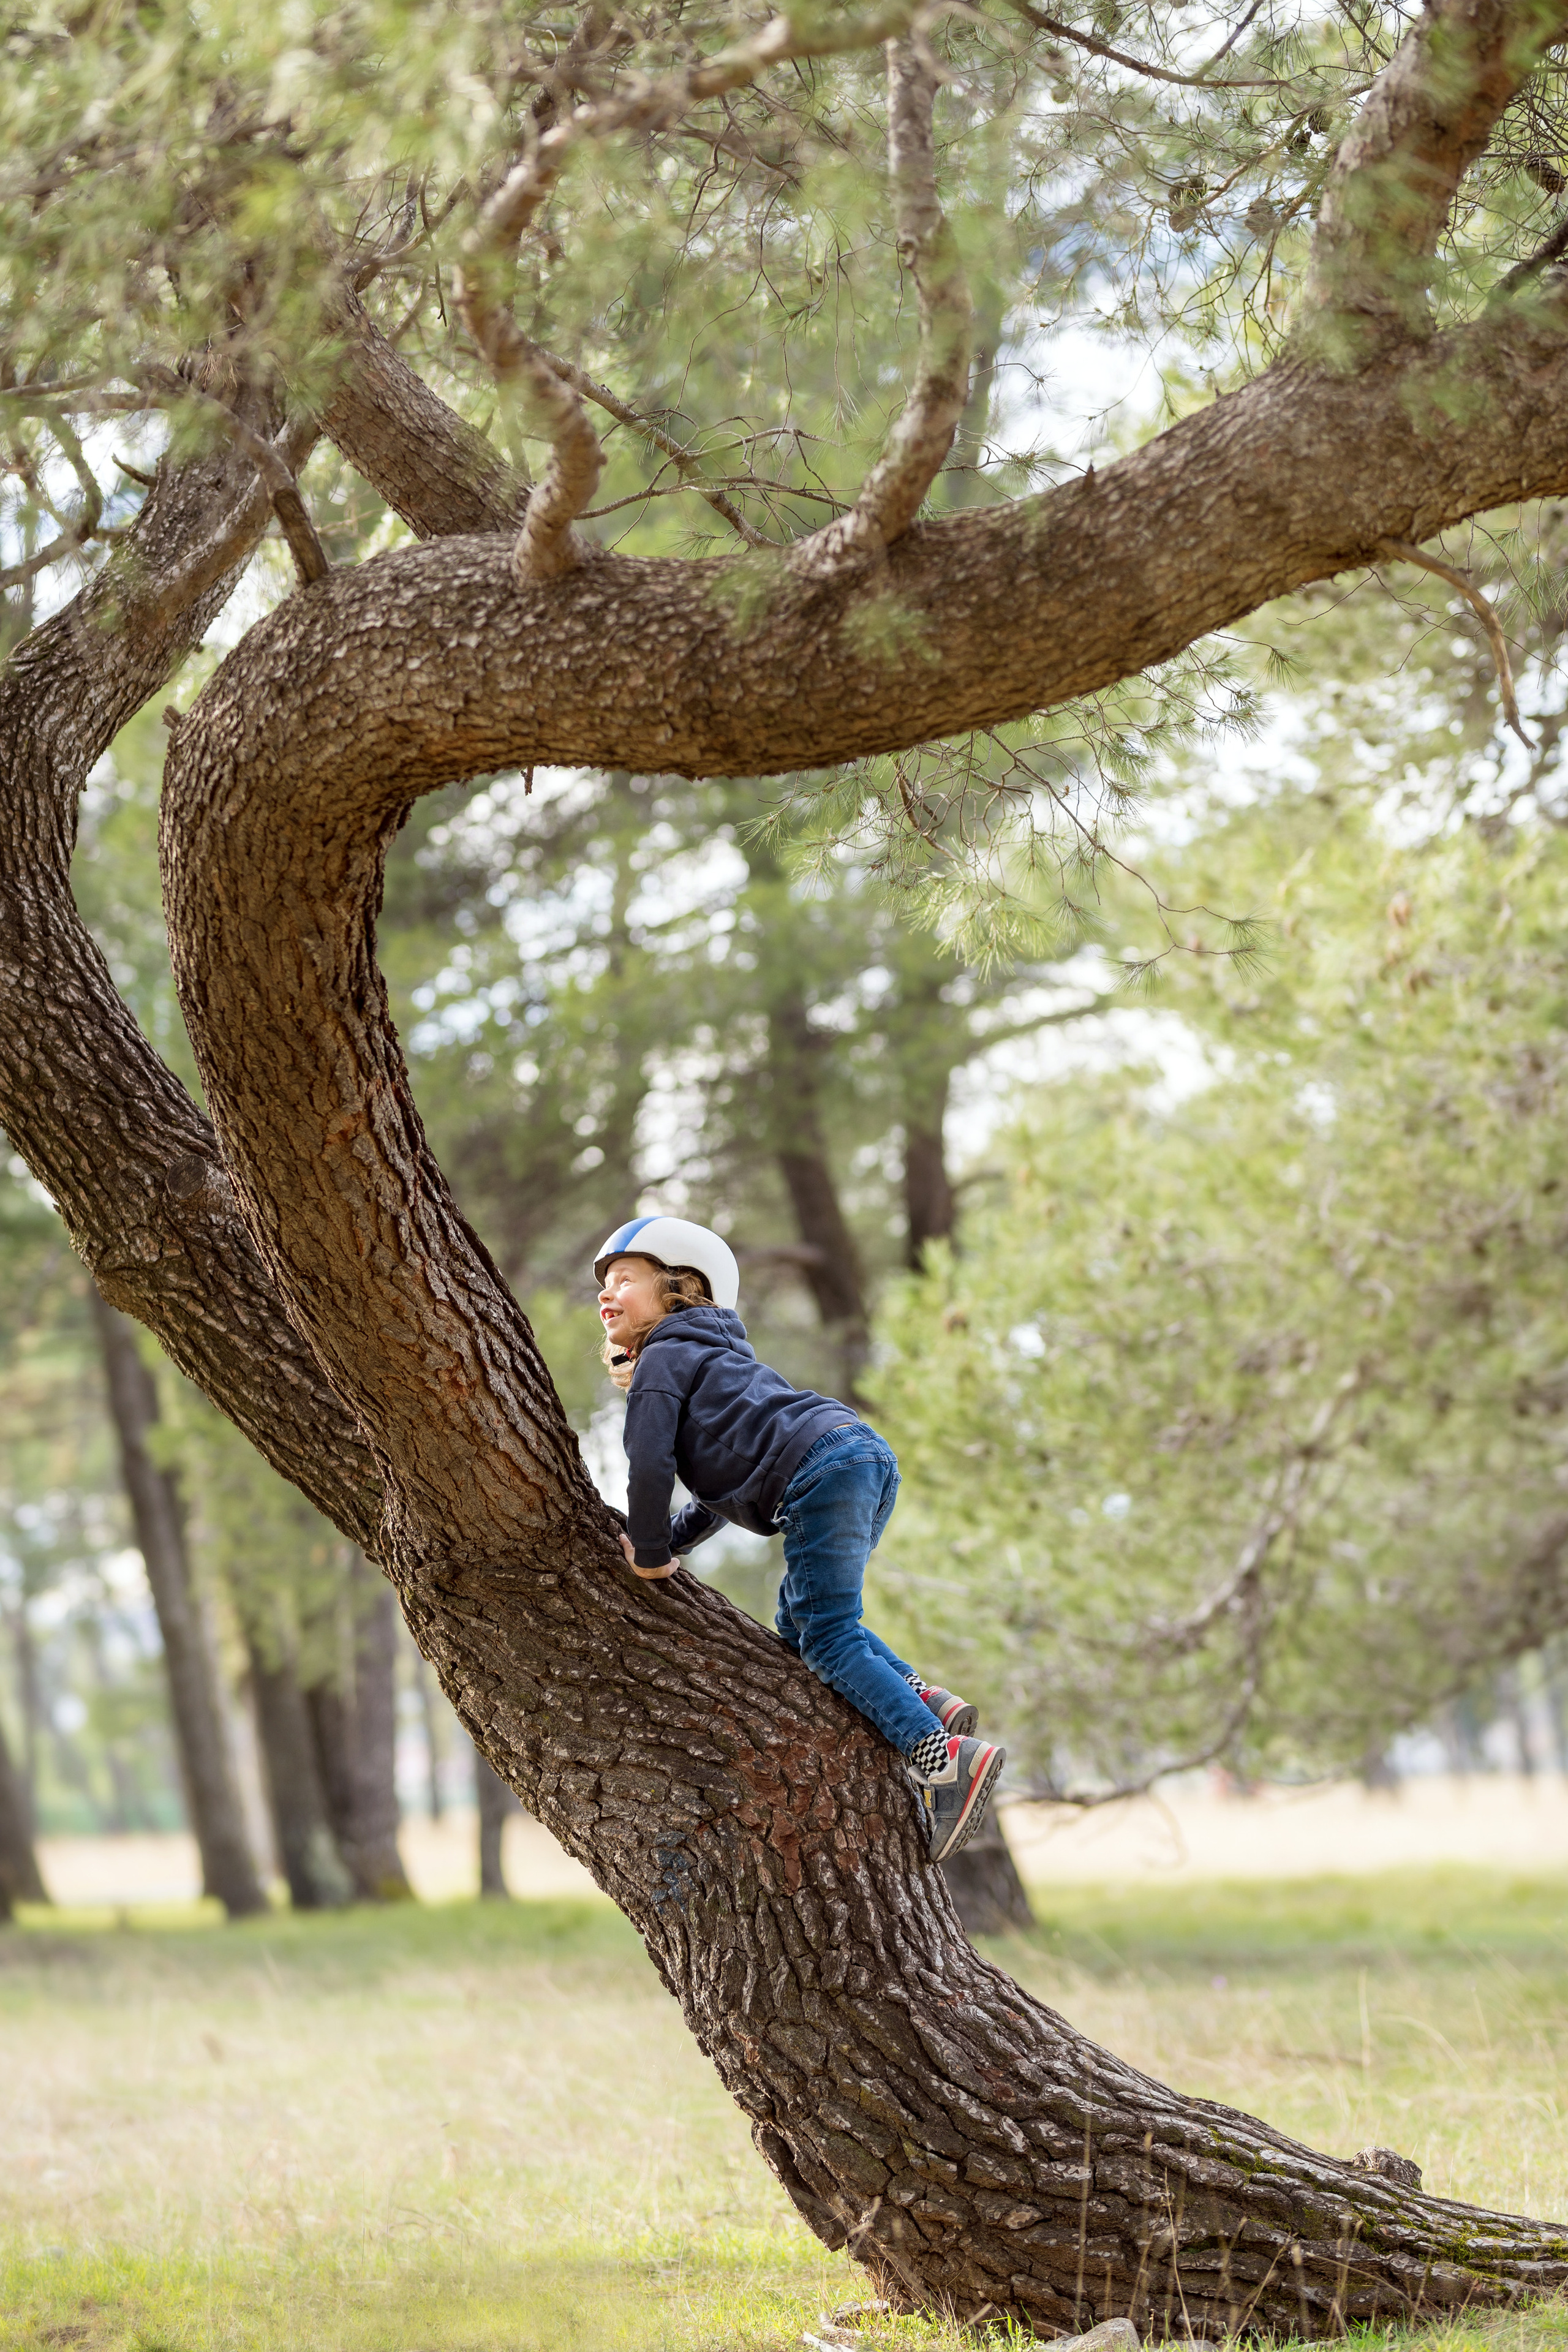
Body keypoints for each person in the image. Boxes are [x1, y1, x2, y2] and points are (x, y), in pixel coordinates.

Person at [592, 1214, 1006, 1863]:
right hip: (856, 1455)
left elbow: (649, 1465)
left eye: (624, 1279)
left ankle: (944, 1759)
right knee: (809, 1620)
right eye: (602, 1286)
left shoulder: (666, 1357)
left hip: (820, 1471)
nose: (604, 1294)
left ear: (679, 1289)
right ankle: (925, 1698)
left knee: (826, 1633)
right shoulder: (718, 1358)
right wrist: (676, 1540)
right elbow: (718, 1487)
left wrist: (647, 1553)